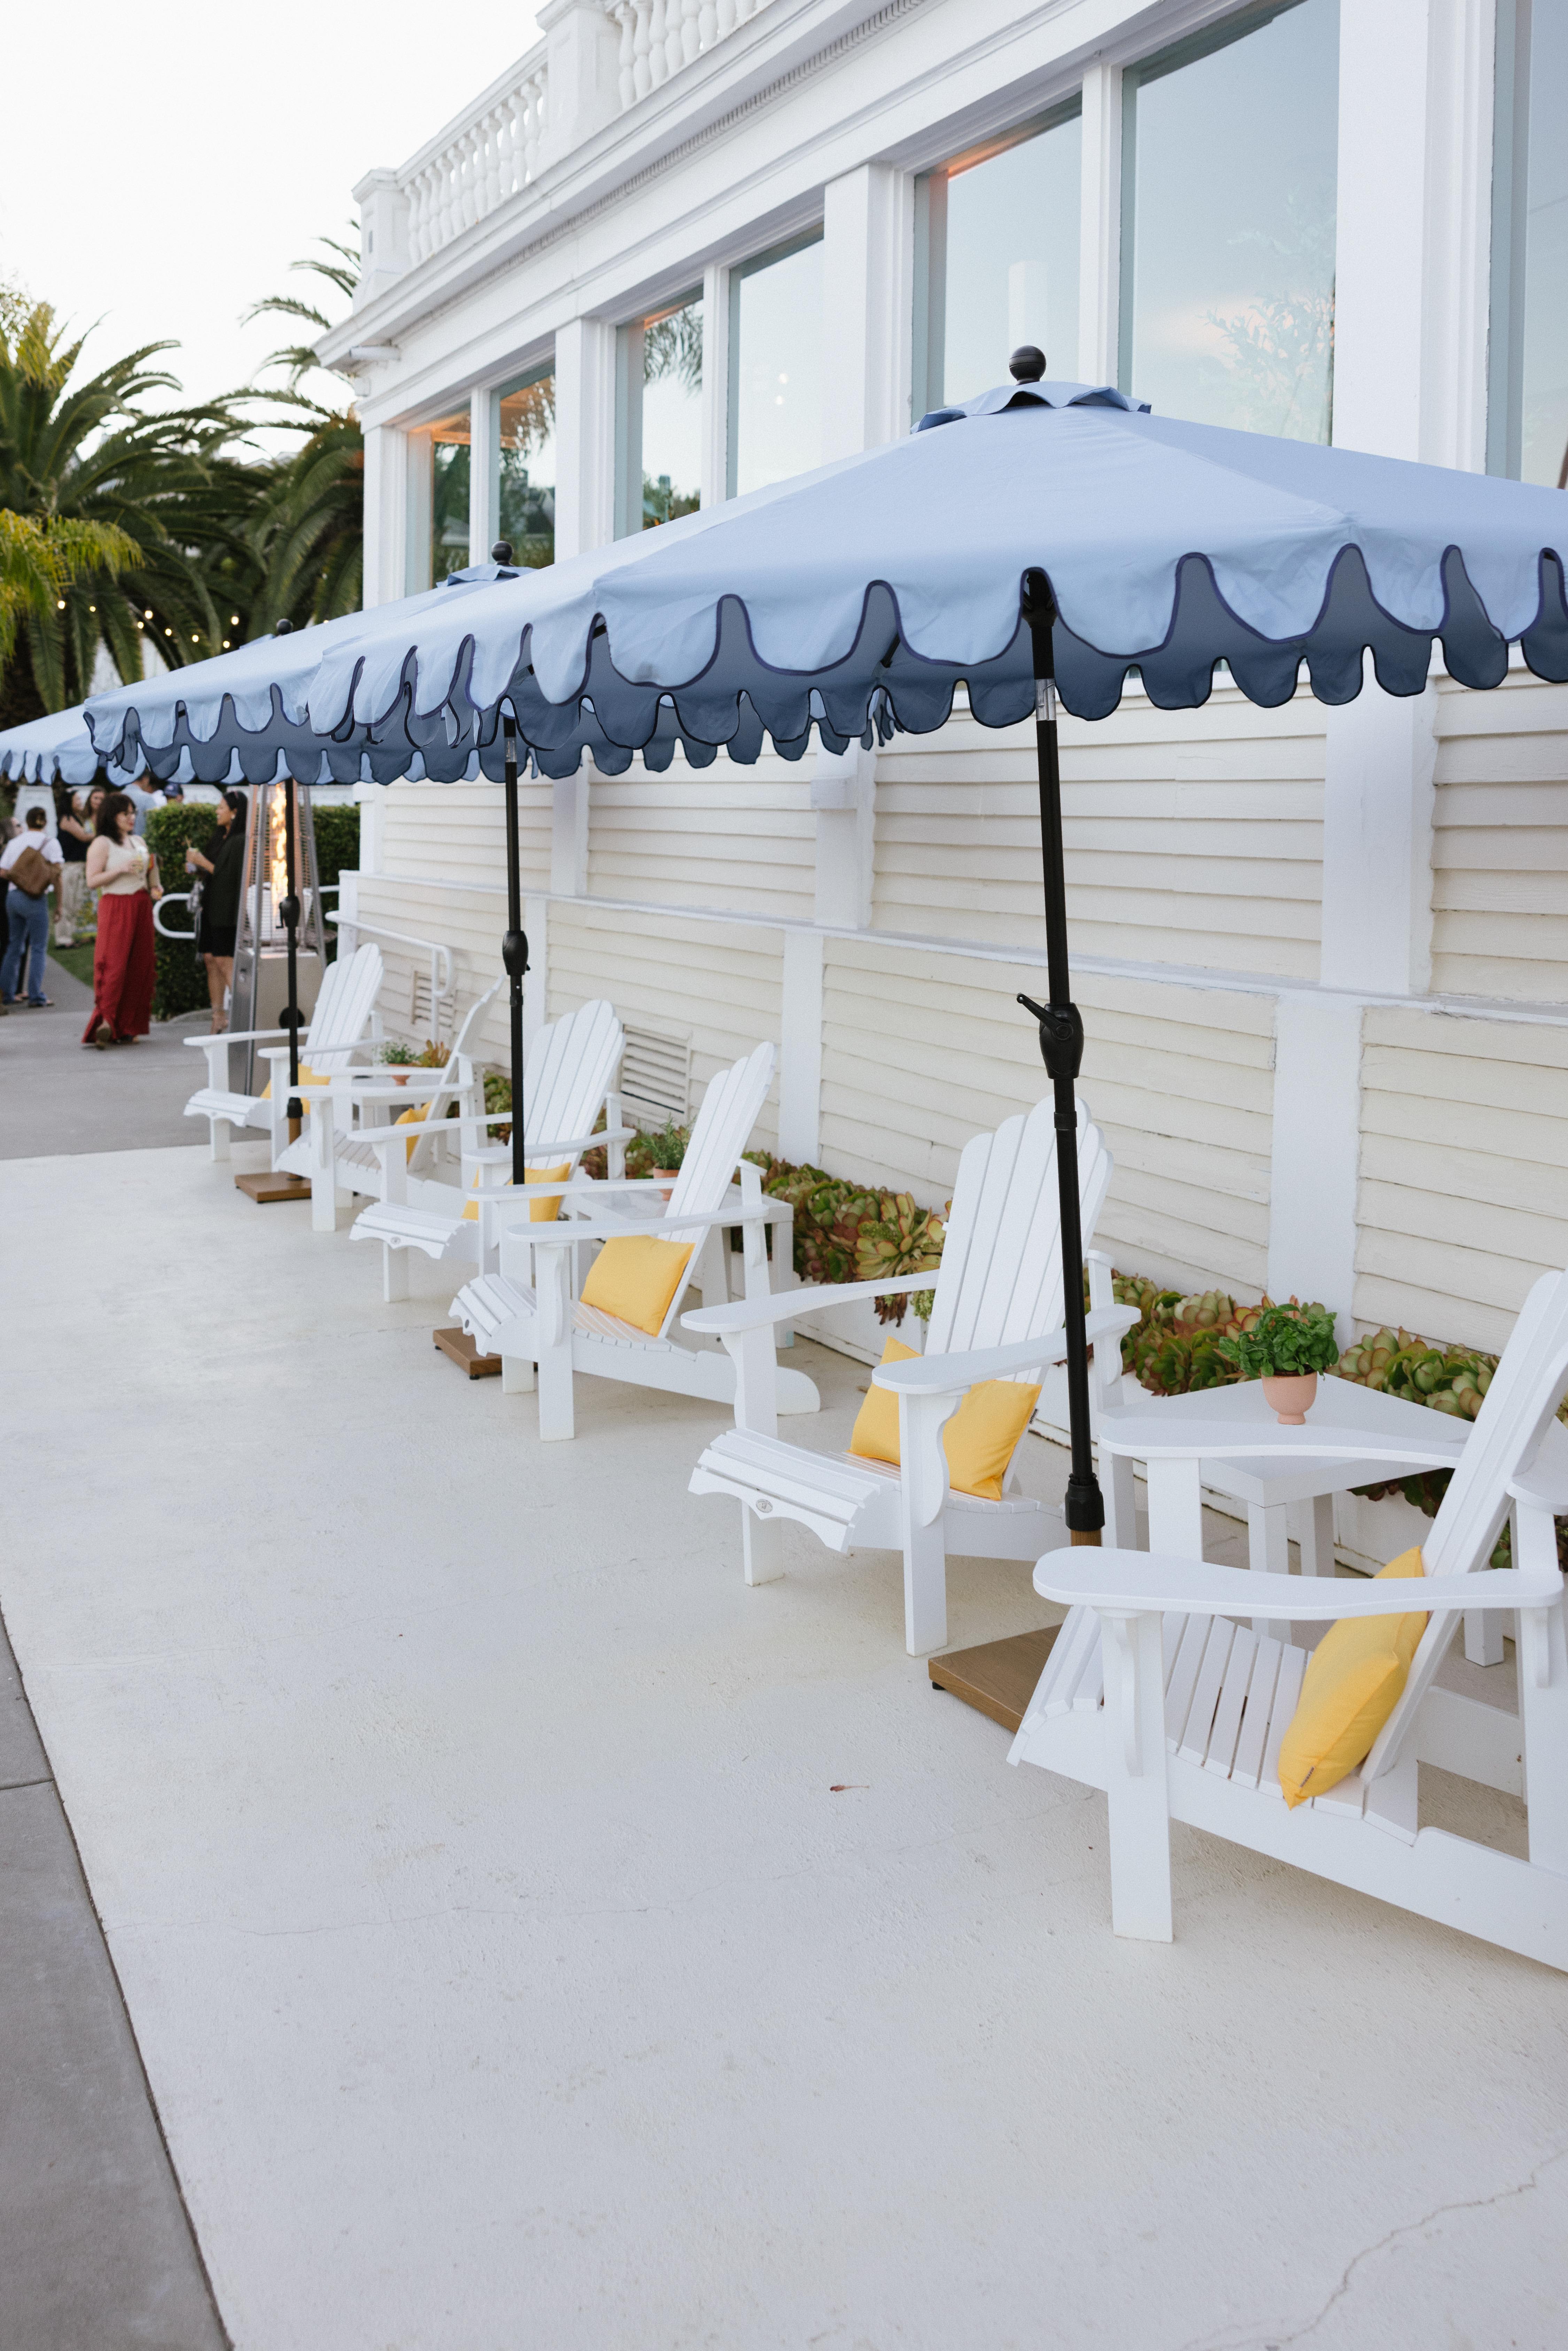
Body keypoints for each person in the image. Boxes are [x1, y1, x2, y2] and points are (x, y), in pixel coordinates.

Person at [82, 790, 162, 1047]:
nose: (131, 818)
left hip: (141, 903)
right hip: (116, 904)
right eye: (125, 814)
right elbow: (92, 880)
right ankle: (106, 1022)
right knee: (113, 965)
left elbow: (150, 869)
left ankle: (130, 1026)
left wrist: (155, 886)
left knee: (140, 965)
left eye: (133, 813)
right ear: (112, 815)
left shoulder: (138, 840)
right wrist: (120, 869)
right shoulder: (102, 843)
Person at [185, 787, 247, 1031]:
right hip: (211, 906)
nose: (217, 812)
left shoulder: (241, 840)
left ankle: (247, 1013)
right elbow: (213, 871)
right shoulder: (221, 837)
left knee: (223, 960)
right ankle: (218, 1016)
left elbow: (228, 875)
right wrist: (196, 867)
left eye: (221, 808)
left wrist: (202, 862)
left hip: (227, 910)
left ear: (235, 812)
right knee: (211, 959)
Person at [1, 806, 64, 1007]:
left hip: (13, 897)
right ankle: (36, 995)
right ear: (45, 822)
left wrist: (21, 879)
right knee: (38, 947)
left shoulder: (15, 842)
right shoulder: (51, 843)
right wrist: (59, 905)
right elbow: (57, 876)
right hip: (35, 899)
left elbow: (3, 871)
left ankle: (6, 994)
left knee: (14, 946)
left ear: (27, 822)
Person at [55, 788, 94, 946]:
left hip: (78, 866)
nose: (81, 802)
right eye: (77, 799)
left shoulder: (77, 818)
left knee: (76, 903)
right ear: (69, 802)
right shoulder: (67, 819)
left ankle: (71, 936)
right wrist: (103, 833)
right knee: (67, 903)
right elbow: (83, 837)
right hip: (70, 867)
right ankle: (63, 939)